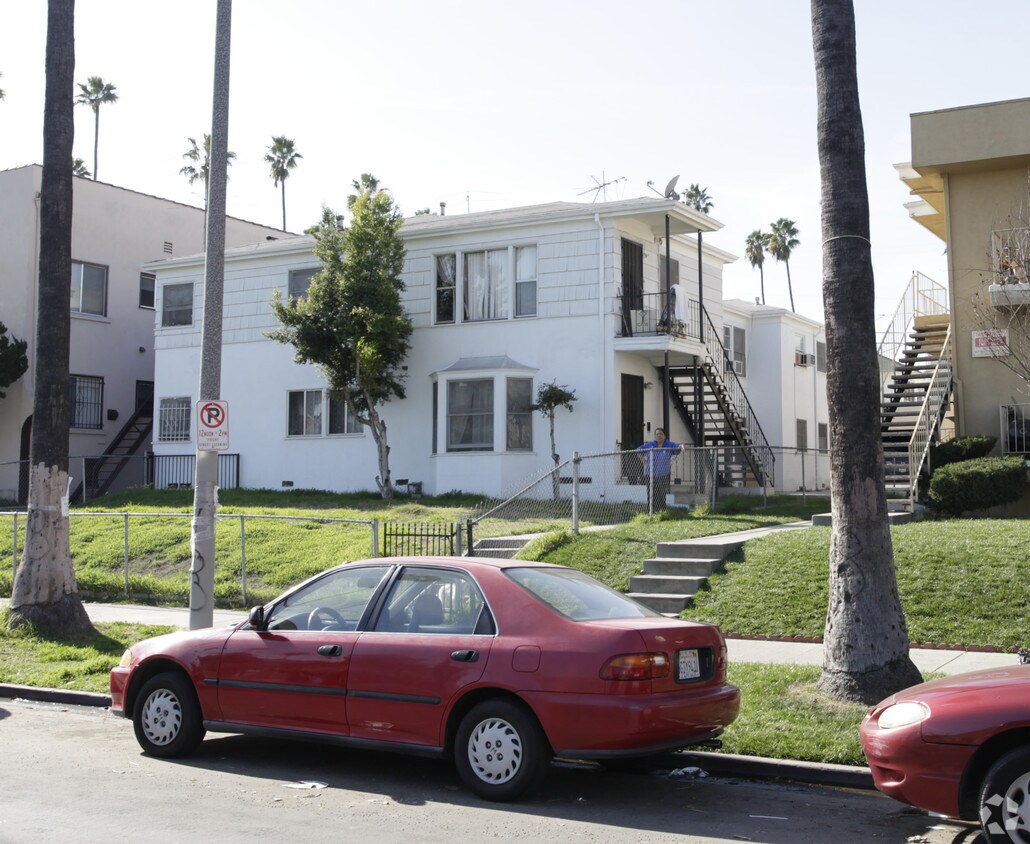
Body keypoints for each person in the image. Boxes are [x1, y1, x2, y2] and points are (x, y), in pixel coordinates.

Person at [636, 427, 685, 512]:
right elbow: (638, 450)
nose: (659, 436)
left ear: (665, 435)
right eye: (657, 434)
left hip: (663, 475)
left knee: (662, 494)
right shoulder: (650, 445)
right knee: (651, 494)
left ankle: (662, 511)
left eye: (661, 434)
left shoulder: (668, 444)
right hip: (650, 475)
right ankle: (651, 511)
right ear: (655, 436)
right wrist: (645, 462)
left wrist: (681, 446)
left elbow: (677, 447)